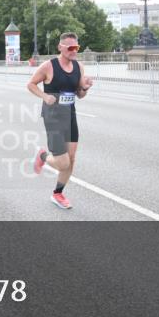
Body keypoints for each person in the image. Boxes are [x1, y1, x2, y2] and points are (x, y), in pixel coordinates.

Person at [27, 32, 94, 209]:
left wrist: (85, 88)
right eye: (70, 47)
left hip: (70, 115)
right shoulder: (48, 66)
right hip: (53, 116)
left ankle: (58, 194)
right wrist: (44, 96)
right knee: (62, 162)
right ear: (60, 47)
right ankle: (42, 155)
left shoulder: (79, 66)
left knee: (71, 159)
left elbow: (79, 95)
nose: (74, 51)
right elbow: (31, 84)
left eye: (76, 47)